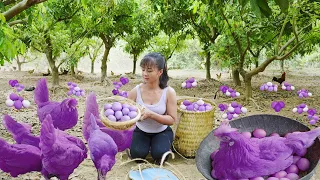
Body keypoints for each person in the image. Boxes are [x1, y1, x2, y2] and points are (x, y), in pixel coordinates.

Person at [128, 52, 177, 164]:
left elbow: (172, 120)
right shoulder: (136, 91)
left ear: (160, 72)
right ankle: (144, 146)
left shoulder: (169, 92)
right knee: (137, 155)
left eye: (149, 70)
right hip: (141, 130)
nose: (145, 73)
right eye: (143, 70)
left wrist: (151, 114)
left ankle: (162, 145)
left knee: (159, 154)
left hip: (161, 131)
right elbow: (126, 113)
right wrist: (135, 117)